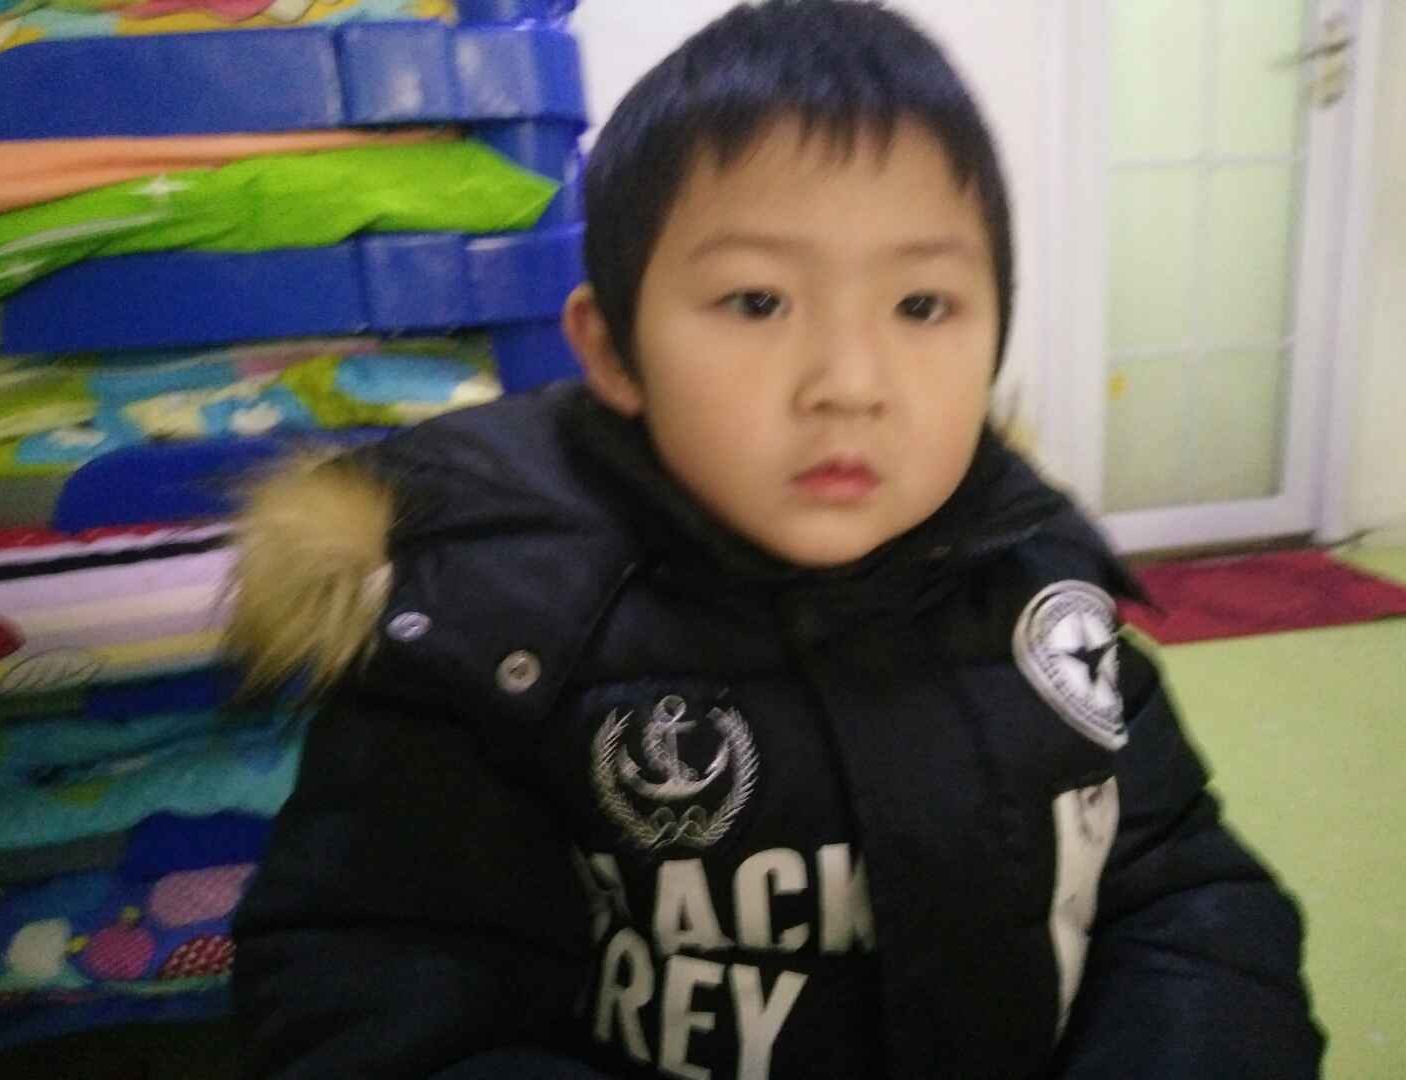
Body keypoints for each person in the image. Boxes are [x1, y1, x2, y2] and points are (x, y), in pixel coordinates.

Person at [226, 2, 1325, 1077]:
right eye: (757, 302)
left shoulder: (1040, 586)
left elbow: (1183, 897)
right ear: (613, 351)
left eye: (923, 306)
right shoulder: (496, 628)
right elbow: (375, 988)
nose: (849, 383)